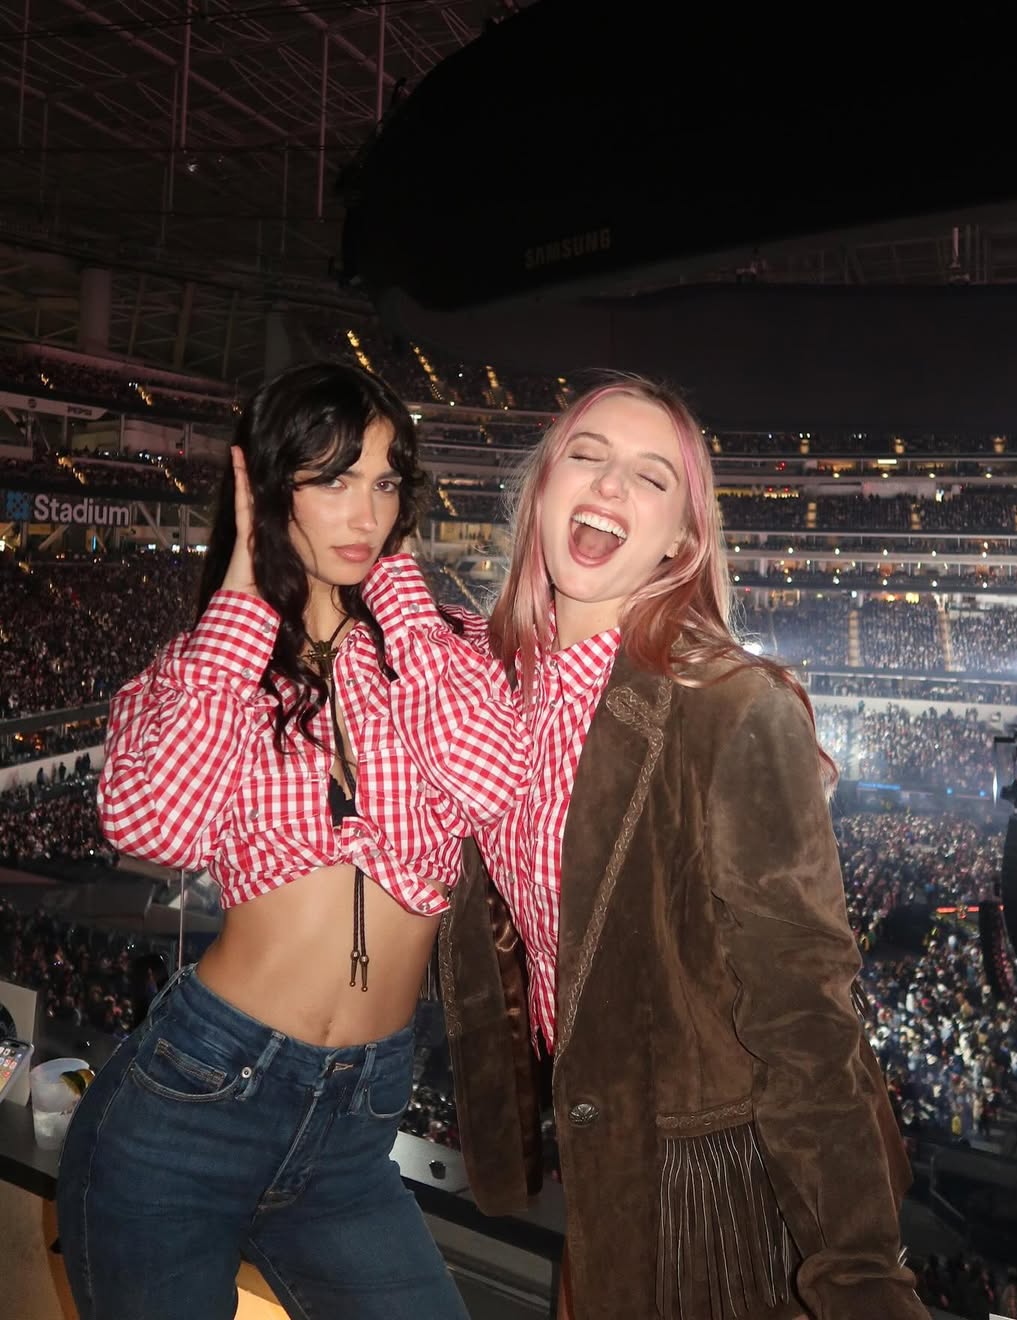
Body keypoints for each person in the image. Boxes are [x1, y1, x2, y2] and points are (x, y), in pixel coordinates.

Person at [376, 375, 931, 1319]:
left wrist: (859, 1274)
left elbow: (805, 1012)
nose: (608, 484)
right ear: (543, 490)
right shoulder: (492, 690)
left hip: (723, 1189)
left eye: (650, 476)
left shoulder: (733, 709)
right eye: (586, 457)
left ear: (681, 539)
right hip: (604, 1171)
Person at [56, 361, 528, 1320]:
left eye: (385, 483)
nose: (367, 512)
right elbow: (152, 827)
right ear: (272, 490)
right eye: (334, 480)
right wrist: (240, 602)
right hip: (191, 1102)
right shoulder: (207, 669)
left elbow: (494, 786)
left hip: (357, 1123)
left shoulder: (446, 647)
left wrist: (401, 599)